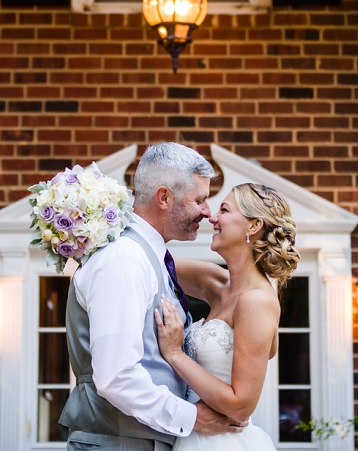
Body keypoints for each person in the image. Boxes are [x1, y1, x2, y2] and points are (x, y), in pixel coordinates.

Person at [60, 142, 245, 451]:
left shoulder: (149, 257)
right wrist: (193, 418)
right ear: (164, 198)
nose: (207, 211)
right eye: (200, 200)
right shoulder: (124, 259)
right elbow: (116, 376)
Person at [154, 183, 299, 451]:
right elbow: (154, 259)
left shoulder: (256, 301)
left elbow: (241, 406)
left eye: (224, 209)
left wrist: (175, 354)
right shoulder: (220, 284)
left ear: (253, 226)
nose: (212, 217)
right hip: (191, 437)